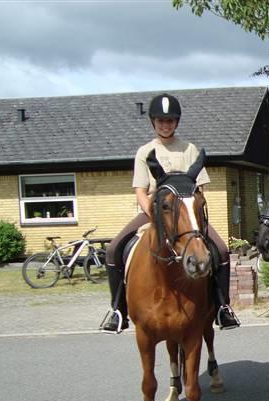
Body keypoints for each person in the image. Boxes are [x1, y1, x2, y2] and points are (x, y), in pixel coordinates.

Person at [100, 92, 240, 333]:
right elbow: (141, 191)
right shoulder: (145, 151)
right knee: (114, 249)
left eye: (170, 120)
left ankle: (222, 307)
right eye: (161, 121)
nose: (166, 125)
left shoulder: (190, 149)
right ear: (153, 122)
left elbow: (200, 188)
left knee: (222, 249)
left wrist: (192, 212)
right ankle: (118, 310)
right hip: (155, 212)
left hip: (187, 215)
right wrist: (154, 214)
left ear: (176, 122)